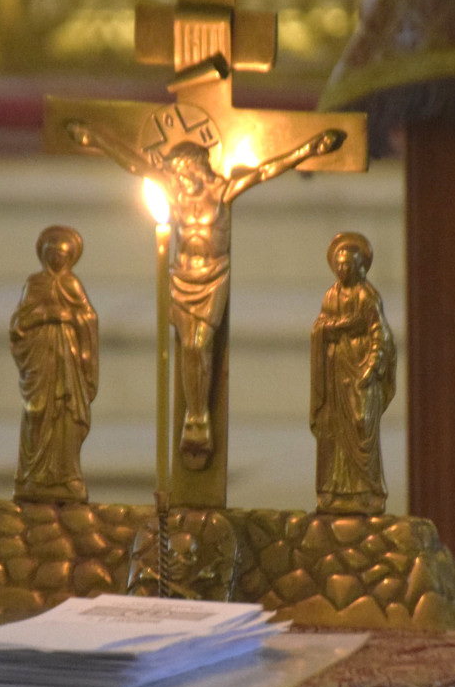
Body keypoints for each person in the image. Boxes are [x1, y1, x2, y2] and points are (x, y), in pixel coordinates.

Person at [66, 117, 344, 470]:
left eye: (182, 174)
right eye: (175, 176)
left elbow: (264, 171)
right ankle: (194, 417)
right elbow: (136, 165)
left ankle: (199, 417)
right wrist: (95, 138)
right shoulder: (175, 191)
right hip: (183, 275)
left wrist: (309, 149)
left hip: (213, 276)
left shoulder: (221, 190)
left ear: (196, 168)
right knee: (189, 348)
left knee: (199, 345)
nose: (178, 182)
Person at [10, 226, 99, 503]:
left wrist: (71, 318)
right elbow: (19, 324)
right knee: (38, 413)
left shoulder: (72, 284)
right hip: (42, 361)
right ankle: (33, 477)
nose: (56, 260)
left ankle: (66, 476)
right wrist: (46, 314)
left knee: (66, 414)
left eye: (61, 255)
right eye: (52, 255)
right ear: (44, 255)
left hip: (67, 361)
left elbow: (89, 317)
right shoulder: (34, 283)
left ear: (69, 257)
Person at [311, 232, 396, 515]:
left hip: (361, 372)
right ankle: (333, 491)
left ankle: (369, 492)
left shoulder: (367, 297)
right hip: (336, 373)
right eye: (339, 264)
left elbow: (381, 334)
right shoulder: (331, 295)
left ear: (360, 267)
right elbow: (320, 326)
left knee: (362, 426)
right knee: (333, 431)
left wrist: (372, 366)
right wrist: (330, 329)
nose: (342, 269)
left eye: (348, 265)